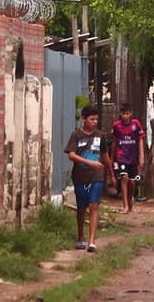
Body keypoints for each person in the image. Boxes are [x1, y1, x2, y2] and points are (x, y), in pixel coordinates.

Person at [65, 105, 111, 253]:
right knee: (81, 208)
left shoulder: (100, 135)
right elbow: (71, 155)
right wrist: (89, 162)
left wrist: (111, 172)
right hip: (80, 176)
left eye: (96, 119)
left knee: (94, 205)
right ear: (83, 119)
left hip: (96, 176)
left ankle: (92, 241)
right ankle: (80, 236)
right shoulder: (76, 135)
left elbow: (104, 155)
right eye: (91, 119)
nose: (94, 122)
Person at [110, 102, 146, 213]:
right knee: (124, 178)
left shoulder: (136, 125)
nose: (125, 116)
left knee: (132, 182)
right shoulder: (116, 126)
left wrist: (141, 156)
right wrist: (111, 158)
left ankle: (130, 200)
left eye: (127, 113)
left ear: (130, 113)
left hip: (133, 157)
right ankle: (125, 205)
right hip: (121, 156)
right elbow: (114, 142)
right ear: (120, 114)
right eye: (123, 113)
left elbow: (140, 140)